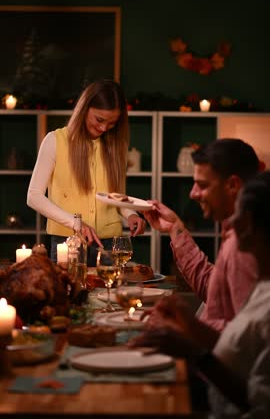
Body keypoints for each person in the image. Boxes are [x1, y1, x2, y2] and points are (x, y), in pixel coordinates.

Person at [130, 170, 270, 418]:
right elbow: (239, 350)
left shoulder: (245, 261)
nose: (233, 225)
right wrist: (189, 325)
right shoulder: (262, 285)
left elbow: (258, 404)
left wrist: (193, 350)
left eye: (243, 217)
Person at [142, 138, 261, 348]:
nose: (193, 193)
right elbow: (213, 288)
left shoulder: (246, 246)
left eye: (203, 185)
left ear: (233, 185)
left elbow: (245, 343)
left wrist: (184, 329)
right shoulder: (233, 231)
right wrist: (174, 228)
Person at [27, 79, 146, 265]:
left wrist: (131, 214)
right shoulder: (55, 141)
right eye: (99, 119)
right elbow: (33, 196)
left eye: (112, 123)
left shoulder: (117, 146)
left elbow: (115, 195)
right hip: (67, 244)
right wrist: (76, 223)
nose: (104, 128)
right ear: (84, 108)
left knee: (109, 294)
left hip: (110, 246)